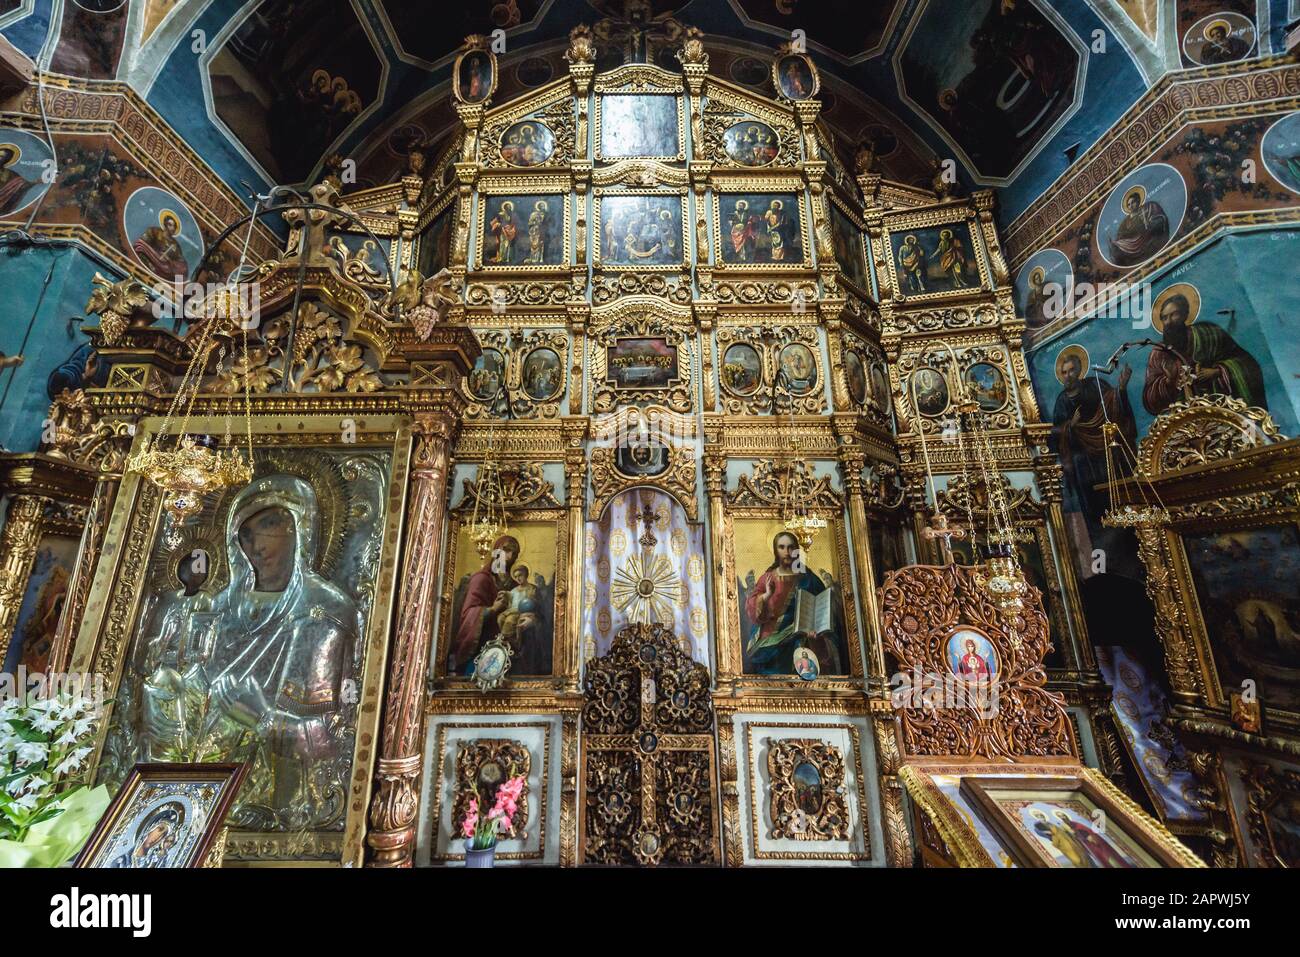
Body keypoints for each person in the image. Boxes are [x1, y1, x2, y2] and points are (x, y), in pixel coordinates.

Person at [202, 477, 362, 818]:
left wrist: (263, 718)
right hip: (206, 789)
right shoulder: (219, 610)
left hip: (293, 800)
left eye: (270, 525)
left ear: (300, 529)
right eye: (247, 533)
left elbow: (340, 734)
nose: (258, 545)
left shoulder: (325, 612)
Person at [1142, 292, 1266, 415]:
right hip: (1186, 420)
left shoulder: (1208, 333)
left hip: (1223, 409)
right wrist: (1168, 382)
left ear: (1185, 314)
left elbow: (1247, 363)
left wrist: (1218, 371)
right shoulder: (1159, 353)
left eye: (1174, 314)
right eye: (1164, 318)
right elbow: (1150, 400)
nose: (1168, 321)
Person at [1051, 349, 1137, 524]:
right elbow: (1055, 434)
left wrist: (1120, 388)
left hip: (1106, 451)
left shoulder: (1094, 385)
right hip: (1083, 462)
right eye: (1064, 372)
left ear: (1079, 370)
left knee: (1120, 493)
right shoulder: (1061, 401)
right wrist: (1071, 425)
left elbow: (1112, 405)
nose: (1068, 376)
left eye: (1071, 370)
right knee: (1096, 506)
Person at [744, 531, 841, 674]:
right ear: (776, 550)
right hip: (771, 640)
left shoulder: (807, 577)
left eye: (790, 547)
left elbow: (823, 604)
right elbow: (752, 609)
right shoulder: (767, 578)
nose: (787, 552)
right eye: (782, 547)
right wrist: (766, 595)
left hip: (803, 637)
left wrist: (816, 628)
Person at [452, 534, 520, 674]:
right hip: (482, 647)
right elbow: (468, 614)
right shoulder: (481, 579)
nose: (509, 557)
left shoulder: (514, 585)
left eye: (514, 553)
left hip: (507, 646)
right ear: (496, 552)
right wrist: (493, 609)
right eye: (506, 550)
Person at [108, 802, 184, 868]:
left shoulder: (156, 862)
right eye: (160, 829)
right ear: (149, 828)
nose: (159, 837)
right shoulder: (121, 862)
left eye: (164, 835)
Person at [1108, 186, 1169, 266]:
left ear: (1138, 201)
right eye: (1129, 204)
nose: (1131, 206)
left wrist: (1149, 224)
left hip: (1144, 236)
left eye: (1133, 202)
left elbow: (1159, 218)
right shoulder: (1125, 221)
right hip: (1131, 242)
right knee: (1116, 245)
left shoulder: (1148, 207)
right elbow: (1121, 234)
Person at [132, 210, 189, 278]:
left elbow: (180, 260)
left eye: (174, 226)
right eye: (170, 225)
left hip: (164, 266)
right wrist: (154, 253)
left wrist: (170, 260)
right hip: (151, 256)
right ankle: (149, 264)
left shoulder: (176, 245)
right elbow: (143, 242)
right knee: (141, 245)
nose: (172, 228)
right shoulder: (154, 231)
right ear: (165, 224)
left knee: (183, 268)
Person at [0, 144, 35, 215]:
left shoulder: (11, 173)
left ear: (7, 159)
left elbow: (21, 183)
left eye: (1, 157)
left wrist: (34, 183)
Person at [524, 200, 548, 264]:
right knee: (534, 245)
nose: (543, 207)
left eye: (543, 206)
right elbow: (530, 223)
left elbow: (548, 224)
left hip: (542, 231)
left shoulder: (546, 215)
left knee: (541, 244)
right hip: (535, 231)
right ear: (539, 207)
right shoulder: (534, 214)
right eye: (541, 206)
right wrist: (535, 223)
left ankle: (541, 258)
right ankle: (534, 259)